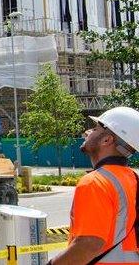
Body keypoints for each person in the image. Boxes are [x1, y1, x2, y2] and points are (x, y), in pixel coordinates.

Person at [48, 107, 139, 265]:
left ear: (107, 140)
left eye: (96, 128)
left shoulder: (95, 182)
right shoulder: (133, 179)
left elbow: (88, 245)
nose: (87, 132)